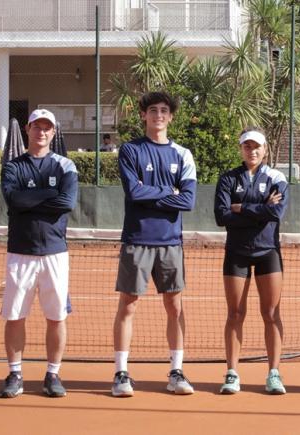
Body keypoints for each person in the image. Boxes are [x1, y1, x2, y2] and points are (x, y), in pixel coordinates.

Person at [111, 91, 197, 397]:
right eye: (152, 110)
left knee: (175, 307)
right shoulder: (131, 151)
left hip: (170, 241)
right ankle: (121, 374)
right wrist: (168, 191)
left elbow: (187, 200)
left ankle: (176, 371)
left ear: (170, 117)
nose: (158, 115)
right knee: (128, 306)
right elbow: (133, 193)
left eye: (163, 110)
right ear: (144, 116)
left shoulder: (183, 155)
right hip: (137, 239)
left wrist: (154, 192)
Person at [0, 109, 78, 398]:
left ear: (53, 132)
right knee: (15, 316)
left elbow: (67, 202)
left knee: (56, 317)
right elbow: (13, 199)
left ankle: (52, 374)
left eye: (47, 128)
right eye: (36, 127)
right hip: (20, 251)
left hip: (55, 253)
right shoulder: (13, 166)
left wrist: (30, 199)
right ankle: (15, 373)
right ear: (28, 130)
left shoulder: (65, 166)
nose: (41, 132)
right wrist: (48, 196)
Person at [214, 127, 289, 395]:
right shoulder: (228, 179)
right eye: (247, 146)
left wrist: (242, 207)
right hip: (237, 252)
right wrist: (261, 209)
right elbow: (222, 216)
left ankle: (274, 373)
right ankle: (232, 373)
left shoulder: (276, 177)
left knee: (271, 313)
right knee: (235, 313)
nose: (252, 150)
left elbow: (277, 212)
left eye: (257, 146)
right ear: (241, 149)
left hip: (268, 251)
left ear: (265, 149)